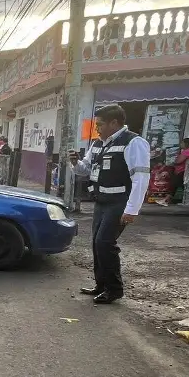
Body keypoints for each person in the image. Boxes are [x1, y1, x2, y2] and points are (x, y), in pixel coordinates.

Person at [68, 103, 152, 304]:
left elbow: (141, 177)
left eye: (100, 125)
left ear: (114, 123)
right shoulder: (98, 144)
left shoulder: (133, 143)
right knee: (97, 244)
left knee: (105, 243)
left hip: (119, 202)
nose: (97, 129)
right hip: (101, 201)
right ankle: (101, 285)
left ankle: (114, 289)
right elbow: (85, 169)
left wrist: (132, 209)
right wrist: (75, 163)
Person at [171, 138, 189, 203]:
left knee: (174, 184)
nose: (180, 144)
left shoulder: (187, 151)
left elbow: (178, 161)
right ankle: (186, 200)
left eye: (182, 143)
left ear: (186, 144)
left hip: (182, 171)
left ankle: (167, 198)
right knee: (180, 185)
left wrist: (173, 161)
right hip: (183, 171)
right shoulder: (187, 151)